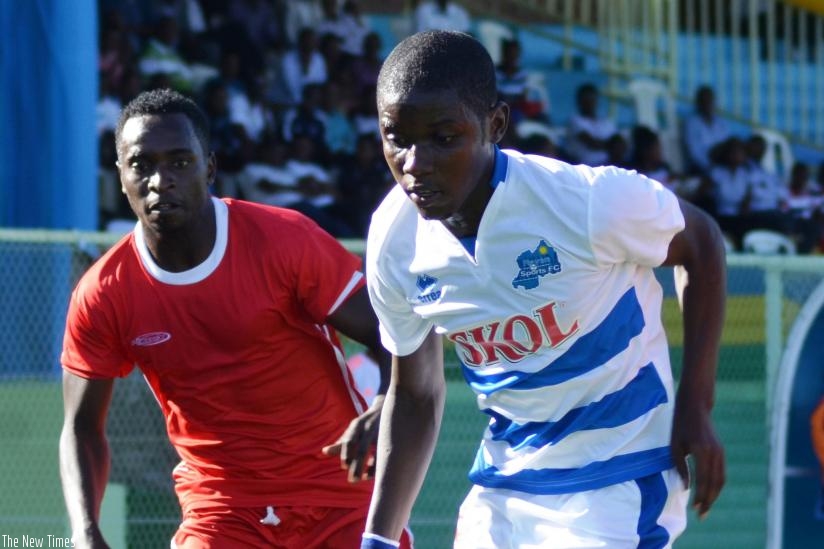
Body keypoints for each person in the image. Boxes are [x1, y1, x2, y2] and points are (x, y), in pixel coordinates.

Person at [361, 31, 726, 549]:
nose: (415, 164)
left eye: (444, 138)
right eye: (396, 137)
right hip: (505, 483)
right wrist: (376, 539)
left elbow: (703, 242)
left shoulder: (584, 202)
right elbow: (416, 393)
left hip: (619, 475)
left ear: (496, 125)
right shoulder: (393, 240)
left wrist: (697, 403)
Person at [59, 89, 412, 548]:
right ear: (121, 175)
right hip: (220, 510)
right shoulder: (103, 293)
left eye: (180, 162)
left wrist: (386, 398)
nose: (159, 180)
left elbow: (394, 335)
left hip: (341, 495)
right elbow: (81, 427)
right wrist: (84, 529)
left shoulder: (285, 240)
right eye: (141, 164)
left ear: (209, 167)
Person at [565, 82, 619, 167]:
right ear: (579, 102)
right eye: (586, 100)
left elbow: (619, 144)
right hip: (585, 169)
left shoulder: (607, 122)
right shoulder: (575, 121)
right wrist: (611, 145)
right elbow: (593, 144)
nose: (589, 103)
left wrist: (612, 145)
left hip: (608, 167)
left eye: (592, 99)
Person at [683, 85, 731, 176]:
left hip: (722, 166)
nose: (707, 104)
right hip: (700, 169)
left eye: (709, 100)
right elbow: (694, 153)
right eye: (704, 101)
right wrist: (710, 167)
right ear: (698, 103)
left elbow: (727, 145)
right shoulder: (691, 123)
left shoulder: (722, 123)